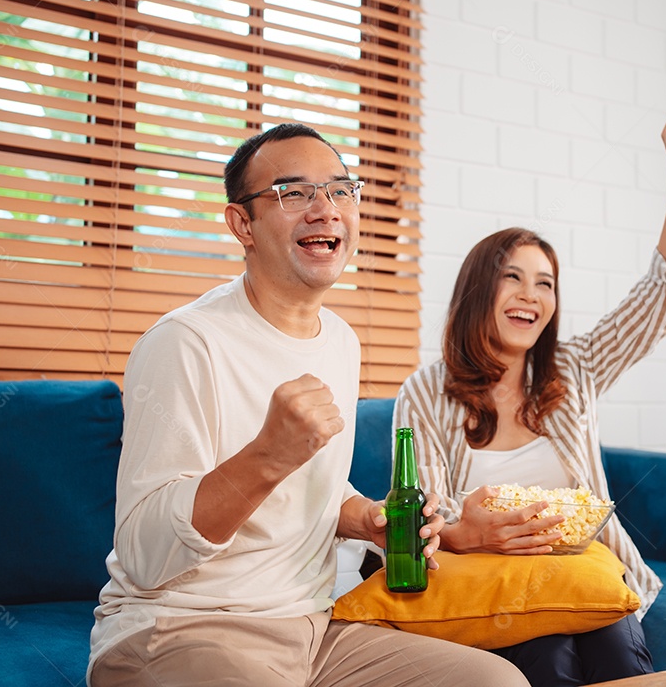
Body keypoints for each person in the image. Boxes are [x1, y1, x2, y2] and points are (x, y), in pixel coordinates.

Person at [88, 123, 529, 687]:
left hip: (313, 630)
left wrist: (366, 518)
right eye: (293, 194)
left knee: (498, 684)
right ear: (241, 223)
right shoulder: (184, 343)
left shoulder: (341, 340)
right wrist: (267, 456)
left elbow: (312, 488)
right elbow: (146, 554)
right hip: (182, 628)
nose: (325, 209)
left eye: (341, 190)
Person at [393, 110, 666, 686]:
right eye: (512, 277)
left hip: (588, 571)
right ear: (477, 290)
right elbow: (426, 510)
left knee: (617, 652)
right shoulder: (427, 390)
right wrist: (471, 529)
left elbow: (661, 299)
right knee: (550, 660)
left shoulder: (576, 367)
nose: (530, 295)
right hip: (496, 583)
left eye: (545, 282)